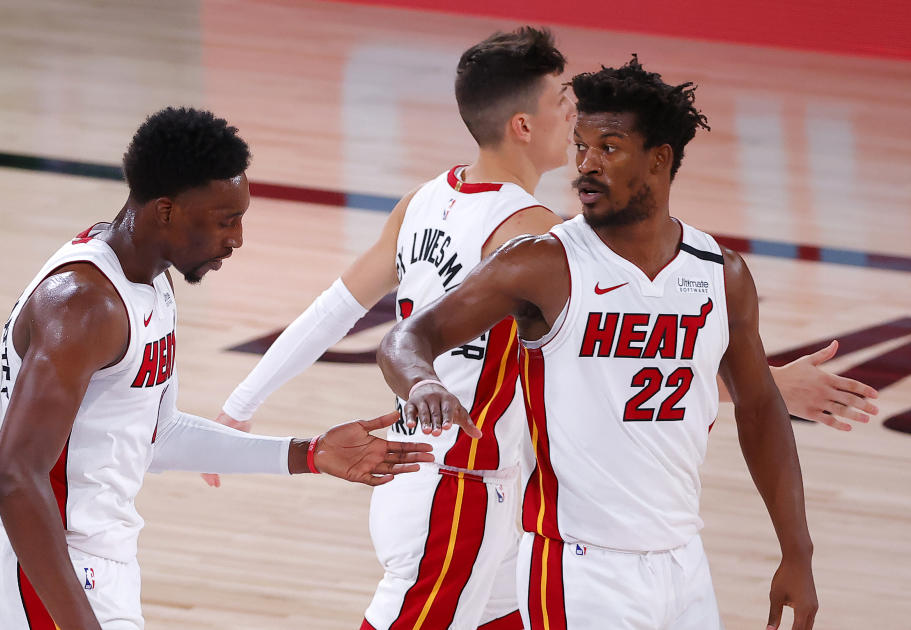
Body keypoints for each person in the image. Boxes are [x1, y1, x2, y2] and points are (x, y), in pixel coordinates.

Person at [210, 32, 875, 630]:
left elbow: (336, 306)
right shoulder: (539, 243)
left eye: (599, 139)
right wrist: (764, 384)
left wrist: (240, 405)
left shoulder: (430, 198)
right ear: (525, 124)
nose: (575, 128)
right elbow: (589, 366)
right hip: (469, 481)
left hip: (450, 479)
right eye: (566, 108)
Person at [377, 57, 821, 629]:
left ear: (659, 159)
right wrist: (422, 380)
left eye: (609, 149)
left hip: (684, 560)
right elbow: (408, 336)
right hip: (578, 565)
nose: (585, 165)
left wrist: (798, 552)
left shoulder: (720, 272)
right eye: (581, 146)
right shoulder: (543, 263)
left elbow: (760, 410)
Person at [0, 107, 433, 630]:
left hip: (94, 563)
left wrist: (309, 454)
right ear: (166, 211)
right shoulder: (84, 304)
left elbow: (157, 437)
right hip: (44, 568)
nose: (237, 238)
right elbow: (14, 477)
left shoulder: (149, 281)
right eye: (224, 220)